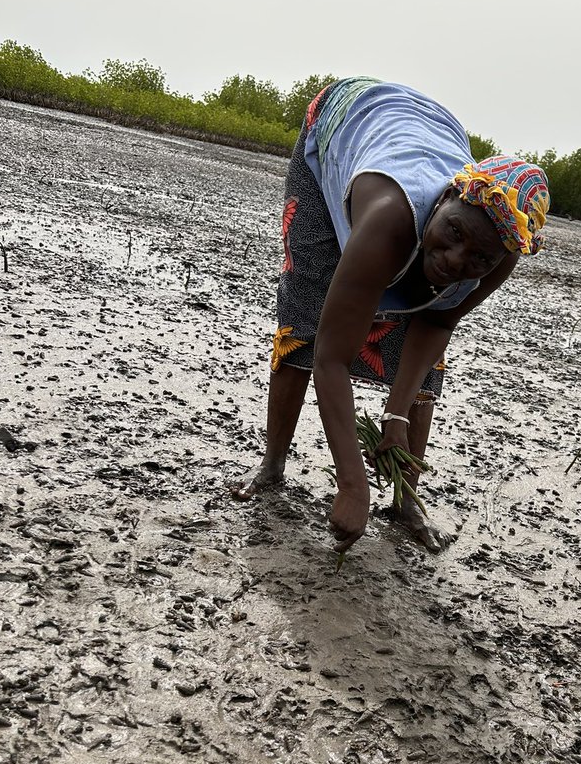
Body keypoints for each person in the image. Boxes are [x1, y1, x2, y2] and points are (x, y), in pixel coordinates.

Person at [231, 77, 549, 553]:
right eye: (454, 232)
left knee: (426, 346)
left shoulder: (500, 253)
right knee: (308, 308)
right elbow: (330, 357)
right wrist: (353, 486)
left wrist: (395, 415)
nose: (456, 260)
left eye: (478, 258)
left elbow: (438, 323)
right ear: (445, 199)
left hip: (432, 130)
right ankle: (273, 465)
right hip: (345, 118)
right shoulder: (388, 217)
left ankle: (404, 500)